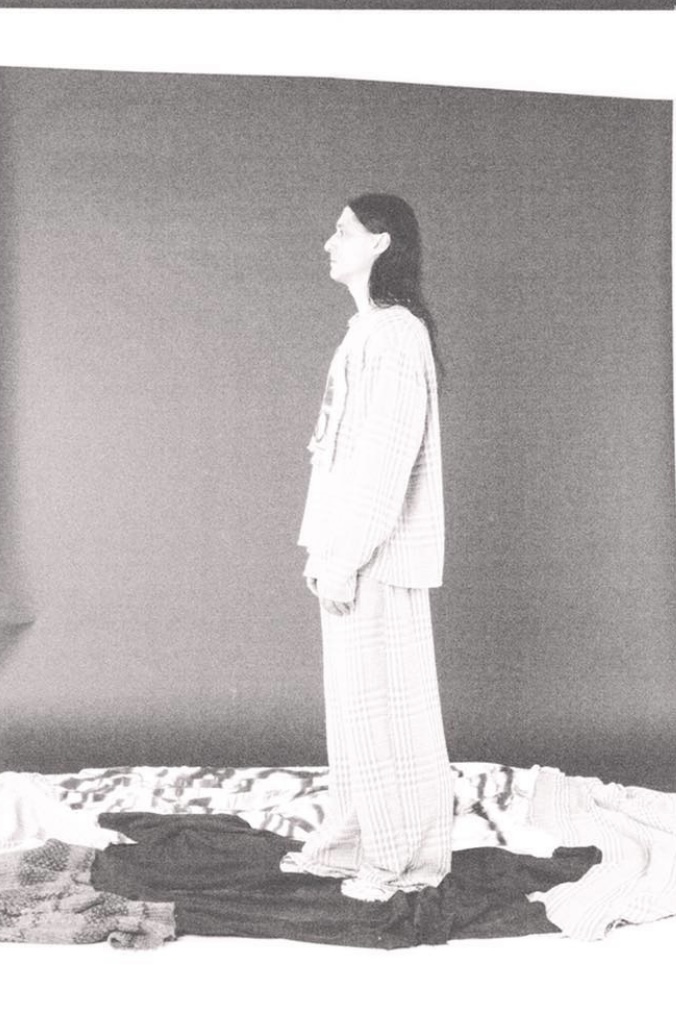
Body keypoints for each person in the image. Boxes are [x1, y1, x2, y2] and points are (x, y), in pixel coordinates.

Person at [281, 193, 455, 902]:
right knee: (356, 715)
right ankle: (352, 844)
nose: (329, 242)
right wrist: (324, 551)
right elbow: (340, 457)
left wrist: (345, 556)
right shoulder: (367, 332)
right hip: (350, 554)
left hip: (377, 558)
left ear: (381, 243)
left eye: (343, 231)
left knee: (384, 717)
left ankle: (396, 861)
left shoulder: (395, 336)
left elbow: (386, 462)